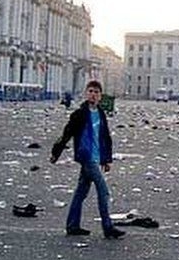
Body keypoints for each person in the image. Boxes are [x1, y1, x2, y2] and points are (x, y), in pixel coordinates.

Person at [50, 80, 125, 239]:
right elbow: (67, 134)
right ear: (86, 94)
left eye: (96, 92)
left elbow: (105, 138)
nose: (93, 95)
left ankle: (72, 226)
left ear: (100, 96)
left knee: (81, 192)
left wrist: (106, 159)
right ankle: (108, 227)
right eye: (90, 91)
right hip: (86, 157)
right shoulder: (79, 114)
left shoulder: (101, 114)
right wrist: (56, 152)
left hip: (96, 158)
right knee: (103, 191)